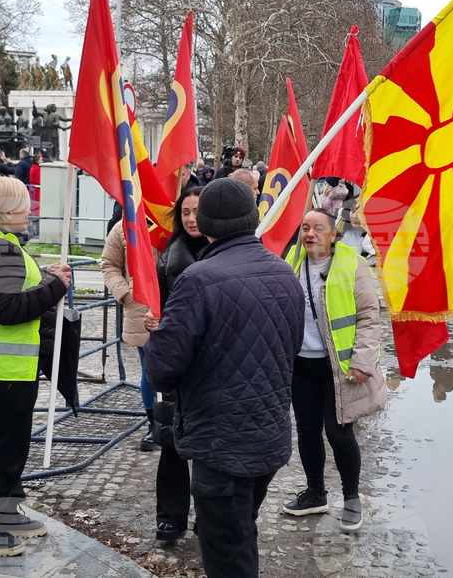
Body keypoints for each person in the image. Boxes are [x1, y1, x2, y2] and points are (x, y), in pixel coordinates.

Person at [144, 178, 305, 578]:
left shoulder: (198, 279)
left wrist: (162, 333)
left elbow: (162, 367)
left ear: (206, 223)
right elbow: (291, 345)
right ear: (253, 218)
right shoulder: (286, 273)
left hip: (221, 442)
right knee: (240, 532)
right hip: (269, 435)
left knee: (227, 553)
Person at [0, 175, 71, 556]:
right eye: (24, 203)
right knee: (3, 448)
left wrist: (47, 278)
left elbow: (13, 293)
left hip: (7, 367)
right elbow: (7, 311)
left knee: (11, 445)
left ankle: (5, 512)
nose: (30, 209)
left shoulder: (0, 245)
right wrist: (55, 287)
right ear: (5, 210)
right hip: (0, 369)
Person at [281, 208, 386, 532]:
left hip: (340, 369)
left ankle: (352, 500)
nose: (310, 234)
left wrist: (363, 361)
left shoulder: (351, 264)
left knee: (339, 433)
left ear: (333, 234)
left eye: (318, 228)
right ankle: (316, 493)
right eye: (305, 228)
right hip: (301, 365)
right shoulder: (291, 263)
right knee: (308, 431)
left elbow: (370, 316)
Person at [142, 185, 207, 543]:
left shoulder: (223, 251)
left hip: (212, 362)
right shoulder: (168, 257)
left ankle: (207, 513)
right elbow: (161, 307)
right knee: (170, 440)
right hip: (176, 361)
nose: (191, 218)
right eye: (185, 212)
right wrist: (156, 322)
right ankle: (170, 516)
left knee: (209, 443)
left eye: (197, 211)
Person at [100, 220, 157, 451]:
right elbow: (109, 264)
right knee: (150, 370)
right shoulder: (126, 224)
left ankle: (182, 422)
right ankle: (155, 425)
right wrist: (126, 293)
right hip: (140, 308)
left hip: (176, 302)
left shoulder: (178, 214)